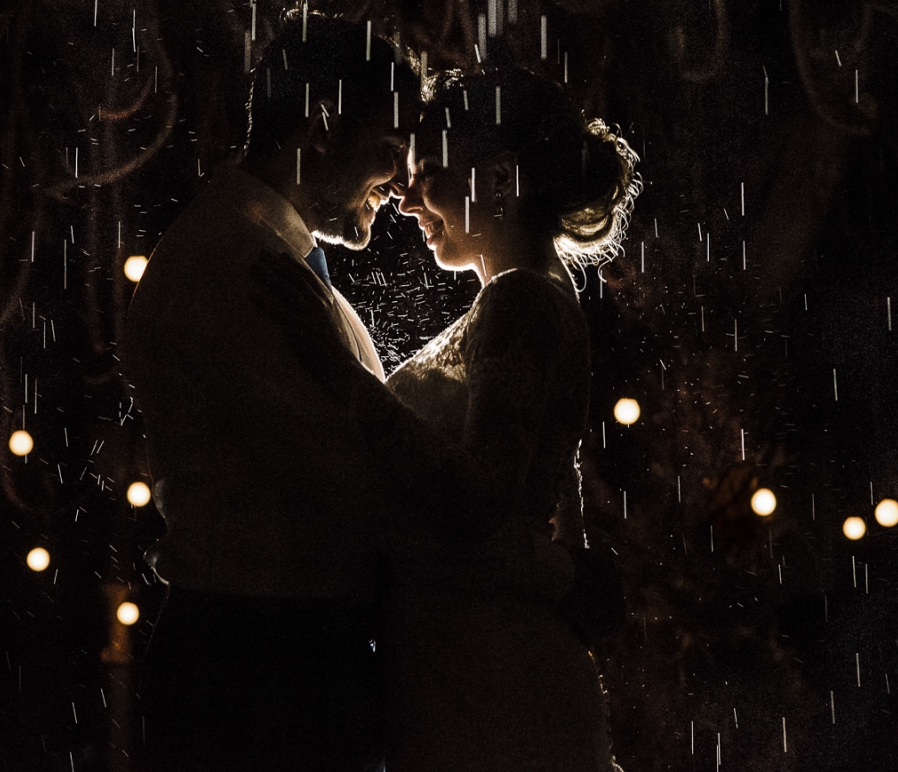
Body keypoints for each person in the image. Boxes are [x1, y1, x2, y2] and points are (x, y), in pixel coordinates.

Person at [254, 66, 638, 771]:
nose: (403, 197)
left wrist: (331, 370)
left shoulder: (521, 303)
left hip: (486, 675)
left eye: (427, 170)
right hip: (467, 657)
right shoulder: (533, 298)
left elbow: (474, 504)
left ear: (497, 180)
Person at [120, 13, 421, 772]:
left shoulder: (264, 255)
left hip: (275, 655)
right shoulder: (236, 266)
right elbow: (345, 481)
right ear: (321, 126)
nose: (401, 182)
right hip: (262, 670)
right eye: (388, 149)